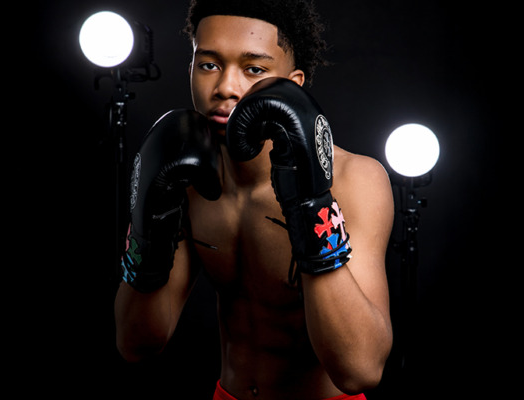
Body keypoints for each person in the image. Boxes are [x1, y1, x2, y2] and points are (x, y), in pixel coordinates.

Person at [114, 1, 394, 399]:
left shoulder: (355, 180)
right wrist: (148, 226)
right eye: (208, 64)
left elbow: (360, 370)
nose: (226, 87)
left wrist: (310, 203)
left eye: (254, 69)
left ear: (293, 84)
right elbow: (136, 344)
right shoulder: (186, 177)